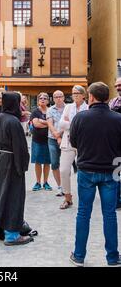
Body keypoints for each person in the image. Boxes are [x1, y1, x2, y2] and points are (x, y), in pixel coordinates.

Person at [69, 82, 121, 267]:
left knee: (83, 213)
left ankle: (79, 256)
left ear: (90, 97)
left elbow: (73, 142)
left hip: (86, 170)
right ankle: (113, 257)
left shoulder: (80, 117)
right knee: (110, 215)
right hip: (111, 170)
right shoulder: (118, 118)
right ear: (107, 97)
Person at [0, 92, 33, 246]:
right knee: (14, 195)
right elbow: (20, 146)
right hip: (11, 160)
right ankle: (12, 234)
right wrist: (22, 165)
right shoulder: (13, 121)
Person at [59, 85, 88, 210]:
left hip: (84, 143)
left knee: (84, 171)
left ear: (83, 95)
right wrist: (76, 123)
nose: (75, 95)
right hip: (68, 141)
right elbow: (61, 124)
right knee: (64, 170)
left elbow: (88, 126)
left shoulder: (88, 108)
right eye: (73, 93)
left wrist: (70, 123)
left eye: (77, 93)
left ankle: (85, 198)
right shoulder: (68, 107)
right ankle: (67, 197)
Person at [30, 93, 52, 191]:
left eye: (45, 98)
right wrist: (48, 123)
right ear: (38, 100)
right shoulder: (35, 111)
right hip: (37, 140)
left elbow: (55, 123)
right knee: (38, 162)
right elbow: (36, 124)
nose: (42, 99)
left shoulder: (51, 111)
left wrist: (42, 121)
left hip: (49, 140)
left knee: (47, 162)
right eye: (40, 98)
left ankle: (46, 182)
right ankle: (38, 182)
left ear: (48, 101)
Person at [47, 91, 66, 196]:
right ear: (53, 99)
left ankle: (65, 185)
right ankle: (59, 186)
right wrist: (57, 136)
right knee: (54, 163)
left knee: (64, 164)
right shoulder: (50, 110)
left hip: (66, 139)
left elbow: (69, 123)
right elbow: (50, 124)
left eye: (60, 96)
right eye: (56, 97)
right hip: (52, 139)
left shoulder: (68, 108)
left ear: (63, 97)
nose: (58, 98)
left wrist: (60, 136)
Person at [109, 78, 121, 209]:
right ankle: (117, 200)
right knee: (116, 173)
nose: (118, 87)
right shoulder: (113, 102)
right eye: (117, 85)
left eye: (120, 85)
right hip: (115, 145)